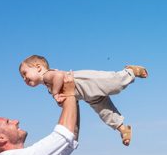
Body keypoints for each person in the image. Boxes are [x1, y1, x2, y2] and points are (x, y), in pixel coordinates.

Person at [18, 54, 148, 146]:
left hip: (84, 82)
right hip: (85, 95)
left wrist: (55, 94)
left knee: (114, 83)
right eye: (22, 77)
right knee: (105, 111)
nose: (24, 79)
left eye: (25, 73)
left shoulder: (47, 76)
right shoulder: (47, 85)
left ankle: (129, 71)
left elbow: (58, 76)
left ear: (38, 68)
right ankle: (123, 128)